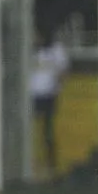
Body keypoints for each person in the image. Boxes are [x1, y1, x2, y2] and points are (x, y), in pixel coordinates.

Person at [30, 31, 69, 176]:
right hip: (31, 96)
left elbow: (63, 71)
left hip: (48, 95)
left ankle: (50, 164)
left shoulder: (56, 50)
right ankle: (32, 163)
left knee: (47, 131)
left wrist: (57, 88)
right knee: (30, 132)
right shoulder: (27, 49)